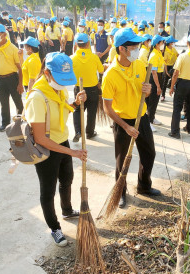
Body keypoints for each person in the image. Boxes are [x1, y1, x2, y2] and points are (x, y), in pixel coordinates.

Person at [25, 52, 87, 247]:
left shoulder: (57, 90)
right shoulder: (37, 97)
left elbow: (61, 108)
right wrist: (73, 152)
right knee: (48, 190)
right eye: (60, 79)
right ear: (47, 73)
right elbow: (41, 137)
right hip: (46, 150)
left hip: (62, 141)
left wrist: (76, 103)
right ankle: (54, 228)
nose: (63, 85)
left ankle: (67, 209)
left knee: (67, 179)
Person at [102, 28, 161, 208]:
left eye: (138, 45)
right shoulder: (110, 75)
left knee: (149, 153)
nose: (137, 48)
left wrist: (149, 90)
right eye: (133, 46)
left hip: (141, 117)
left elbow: (145, 89)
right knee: (122, 161)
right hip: (123, 122)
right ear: (122, 49)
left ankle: (144, 186)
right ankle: (120, 191)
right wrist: (125, 127)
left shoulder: (139, 65)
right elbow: (107, 109)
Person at [0, 23, 24, 132]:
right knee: (3, 103)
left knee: (18, 102)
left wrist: (20, 84)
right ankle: (5, 123)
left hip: (12, 79)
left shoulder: (13, 48)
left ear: (4, 34)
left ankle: (20, 123)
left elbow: (19, 68)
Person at [71, 33, 104, 142]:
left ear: (76, 44)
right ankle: (89, 133)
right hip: (93, 89)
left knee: (77, 110)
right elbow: (101, 71)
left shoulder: (72, 58)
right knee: (92, 111)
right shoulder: (94, 57)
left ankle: (78, 132)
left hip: (79, 89)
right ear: (88, 43)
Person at [147, 35, 165, 132]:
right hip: (154, 79)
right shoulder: (154, 55)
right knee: (152, 102)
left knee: (155, 100)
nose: (163, 44)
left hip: (159, 77)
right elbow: (153, 72)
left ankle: (152, 118)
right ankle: (149, 122)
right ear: (157, 44)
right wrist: (158, 86)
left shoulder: (158, 52)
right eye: (162, 43)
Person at [162, 35, 178, 102]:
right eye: (172, 42)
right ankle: (163, 95)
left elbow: (178, 55)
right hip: (167, 67)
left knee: (175, 79)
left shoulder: (173, 49)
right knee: (165, 81)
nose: (173, 44)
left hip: (173, 66)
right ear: (169, 43)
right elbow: (165, 63)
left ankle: (173, 90)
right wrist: (166, 72)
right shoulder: (165, 51)